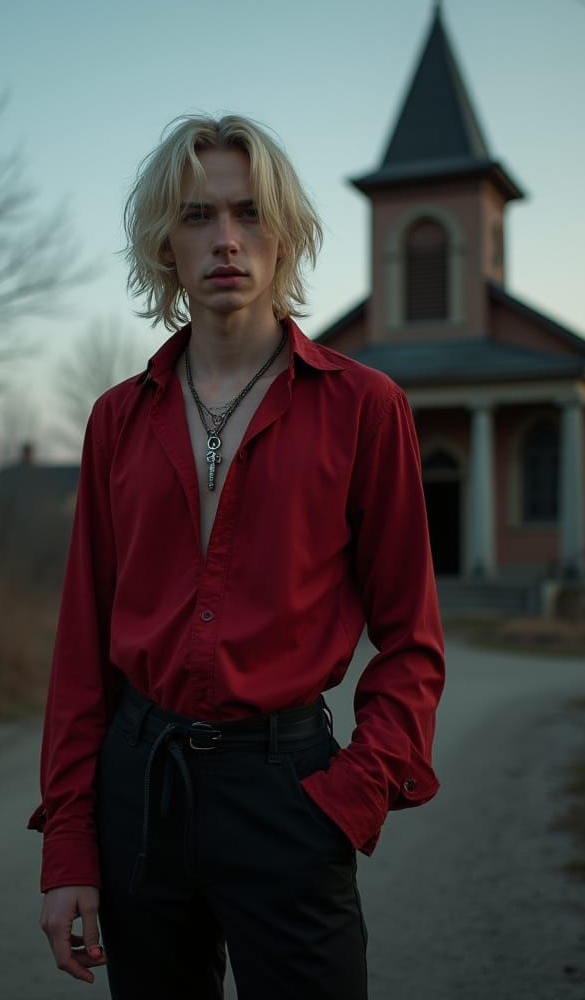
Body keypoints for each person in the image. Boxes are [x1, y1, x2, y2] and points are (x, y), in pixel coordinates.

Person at [31, 114, 445, 999]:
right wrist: (69, 846)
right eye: (196, 217)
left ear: (286, 235)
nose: (226, 239)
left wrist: (353, 795)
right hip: (139, 791)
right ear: (163, 246)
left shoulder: (365, 408)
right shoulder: (117, 419)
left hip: (288, 789)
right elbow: (80, 653)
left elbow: (412, 637)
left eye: (250, 213)